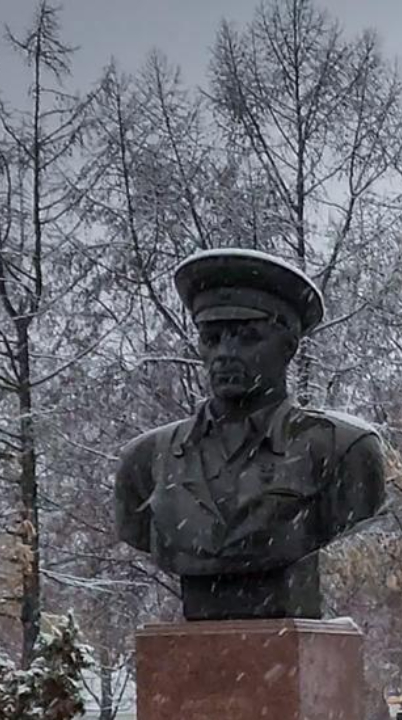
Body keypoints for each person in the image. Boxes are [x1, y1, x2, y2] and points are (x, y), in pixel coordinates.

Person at [114, 248, 387, 620]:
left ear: (288, 347)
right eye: (212, 339)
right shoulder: (145, 460)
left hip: (288, 618)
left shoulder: (342, 450)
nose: (225, 354)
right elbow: (135, 529)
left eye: (246, 338)